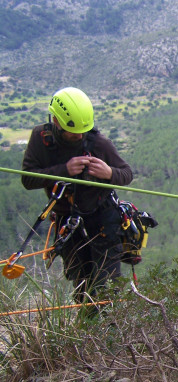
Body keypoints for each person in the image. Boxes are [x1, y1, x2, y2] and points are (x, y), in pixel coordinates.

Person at [21, 87, 133, 303]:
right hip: (67, 221)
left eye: (83, 130)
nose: (79, 136)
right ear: (56, 122)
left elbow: (126, 174)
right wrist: (64, 171)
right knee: (82, 285)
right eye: (73, 132)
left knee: (107, 286)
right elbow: (28, 179)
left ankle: (112, 330)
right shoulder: (40, 139)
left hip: (103, 219)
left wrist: (109, 173)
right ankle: (89, 330)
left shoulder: (98, 144)